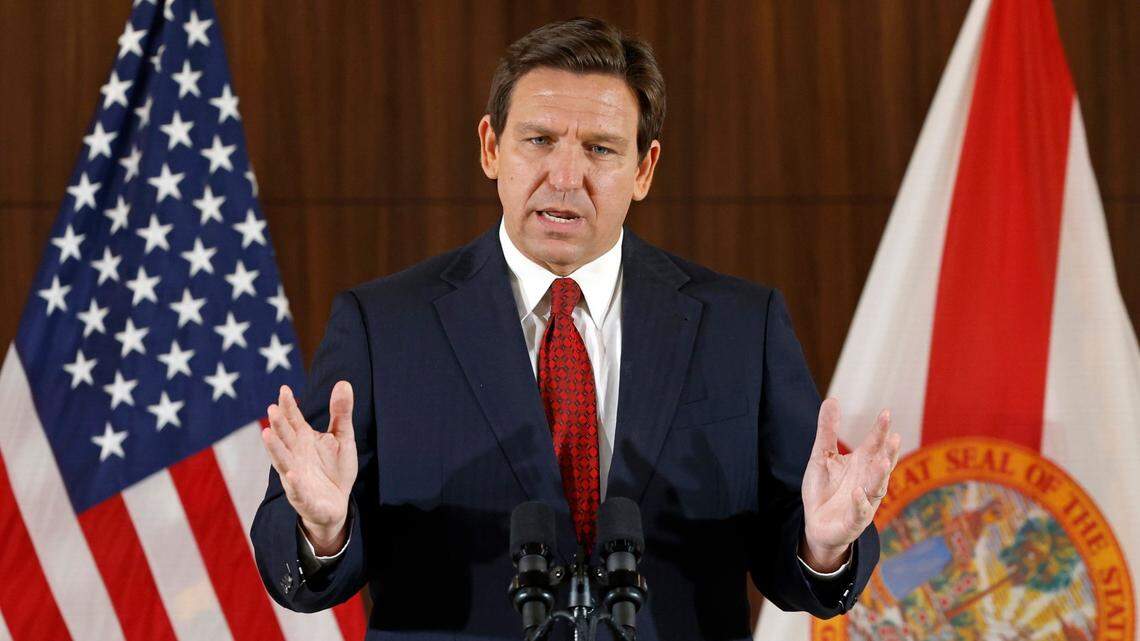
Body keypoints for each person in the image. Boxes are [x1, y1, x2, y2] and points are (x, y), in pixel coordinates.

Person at [251, 16, 901, 640]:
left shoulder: (740, 327)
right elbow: (296, 558)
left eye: (599, 149)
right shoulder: (384, 325)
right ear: (489, 147)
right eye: (538, 140)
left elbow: (795, 554)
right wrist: (325, 529)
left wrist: (822, 542)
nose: (565, 178)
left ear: (643, 168)